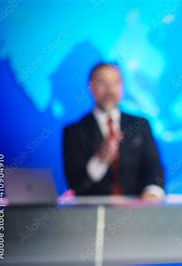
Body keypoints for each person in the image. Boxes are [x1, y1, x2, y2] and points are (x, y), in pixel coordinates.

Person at [63, 63, 164, 202]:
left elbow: (155, 168)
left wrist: (152, 192)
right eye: (103, 82)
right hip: (90, 214)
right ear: (91, 87)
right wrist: (100, 159)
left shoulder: (140, 125)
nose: (110, 89)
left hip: (137, 211)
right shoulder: (74, 131)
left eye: (115, 82)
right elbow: (76, 183)